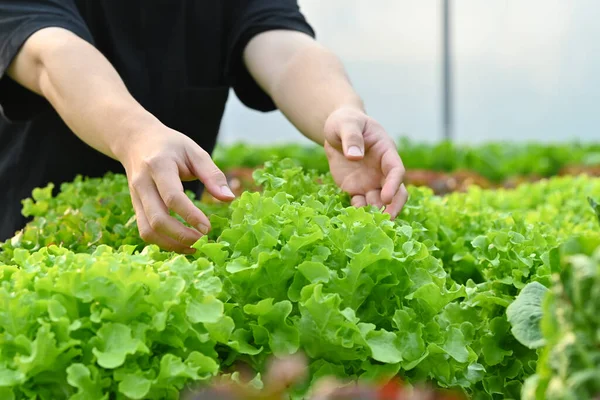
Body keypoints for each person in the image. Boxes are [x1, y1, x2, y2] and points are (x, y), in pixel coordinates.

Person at [0, 0, 408, 253]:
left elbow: (282, 46)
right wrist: (135, 134)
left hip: (178, 239)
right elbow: (48, 53)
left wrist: (339, 110)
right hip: (27, 231)